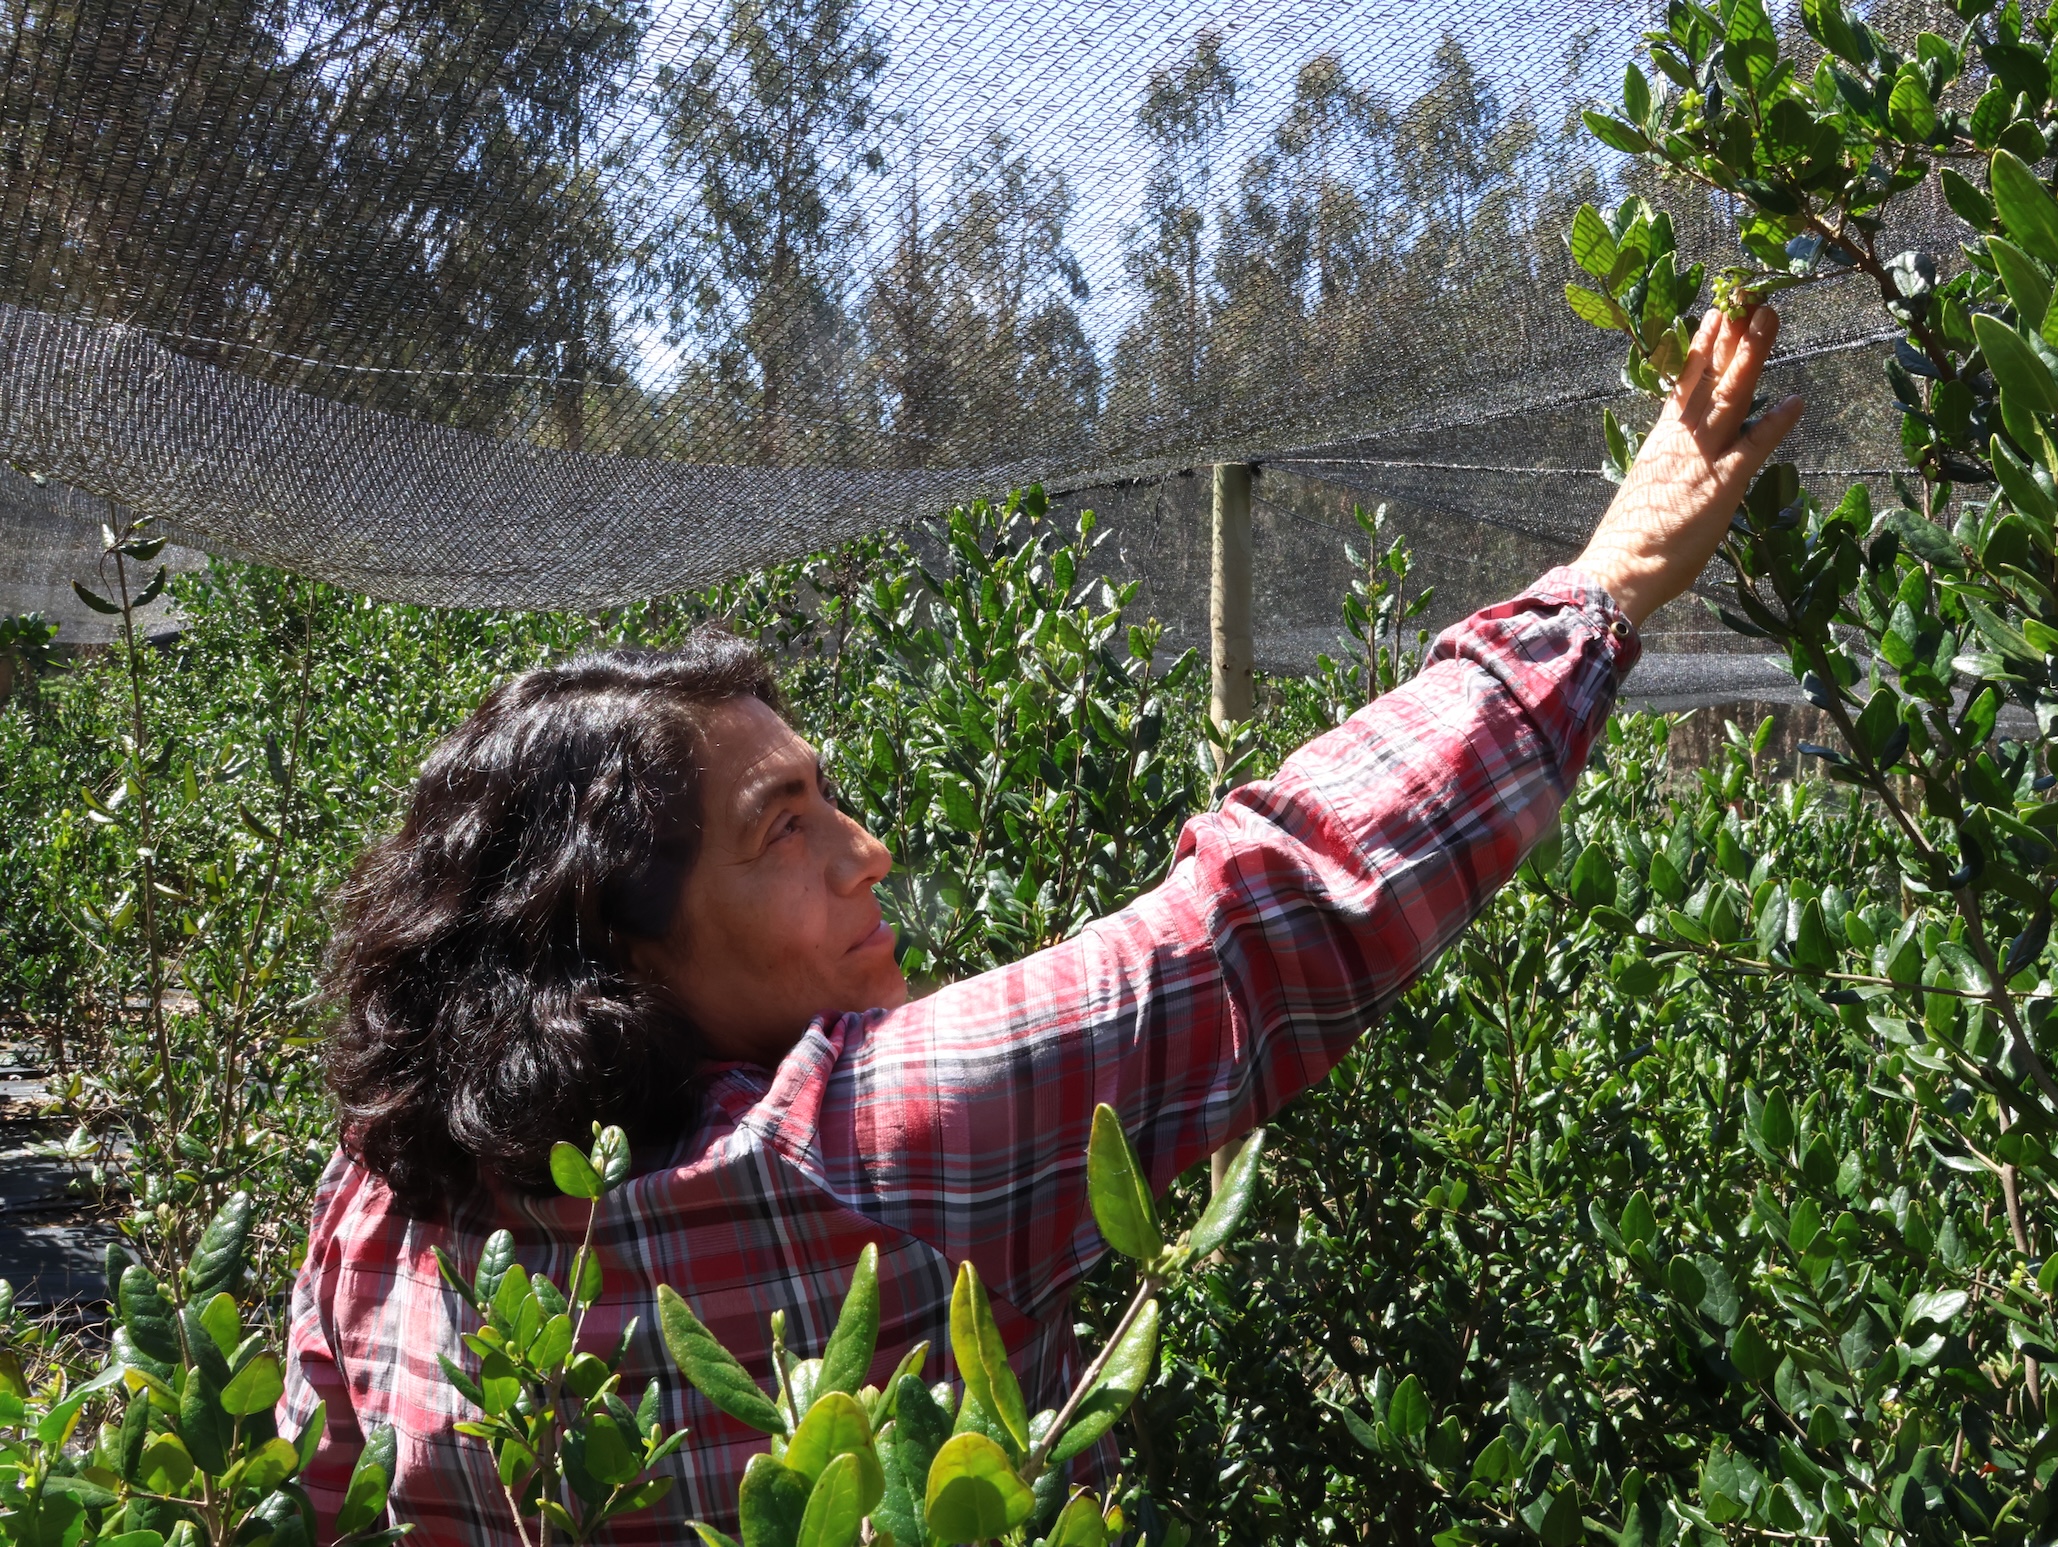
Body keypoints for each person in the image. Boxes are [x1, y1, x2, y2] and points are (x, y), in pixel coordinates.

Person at [279, 304, 1805, 1541]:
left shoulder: (380, 1207)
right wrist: (1605, 589)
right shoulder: (859, 1155)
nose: (868, 853)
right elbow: (1257, 919)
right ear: (618, 952)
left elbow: (304, 1504)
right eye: (786, 826)